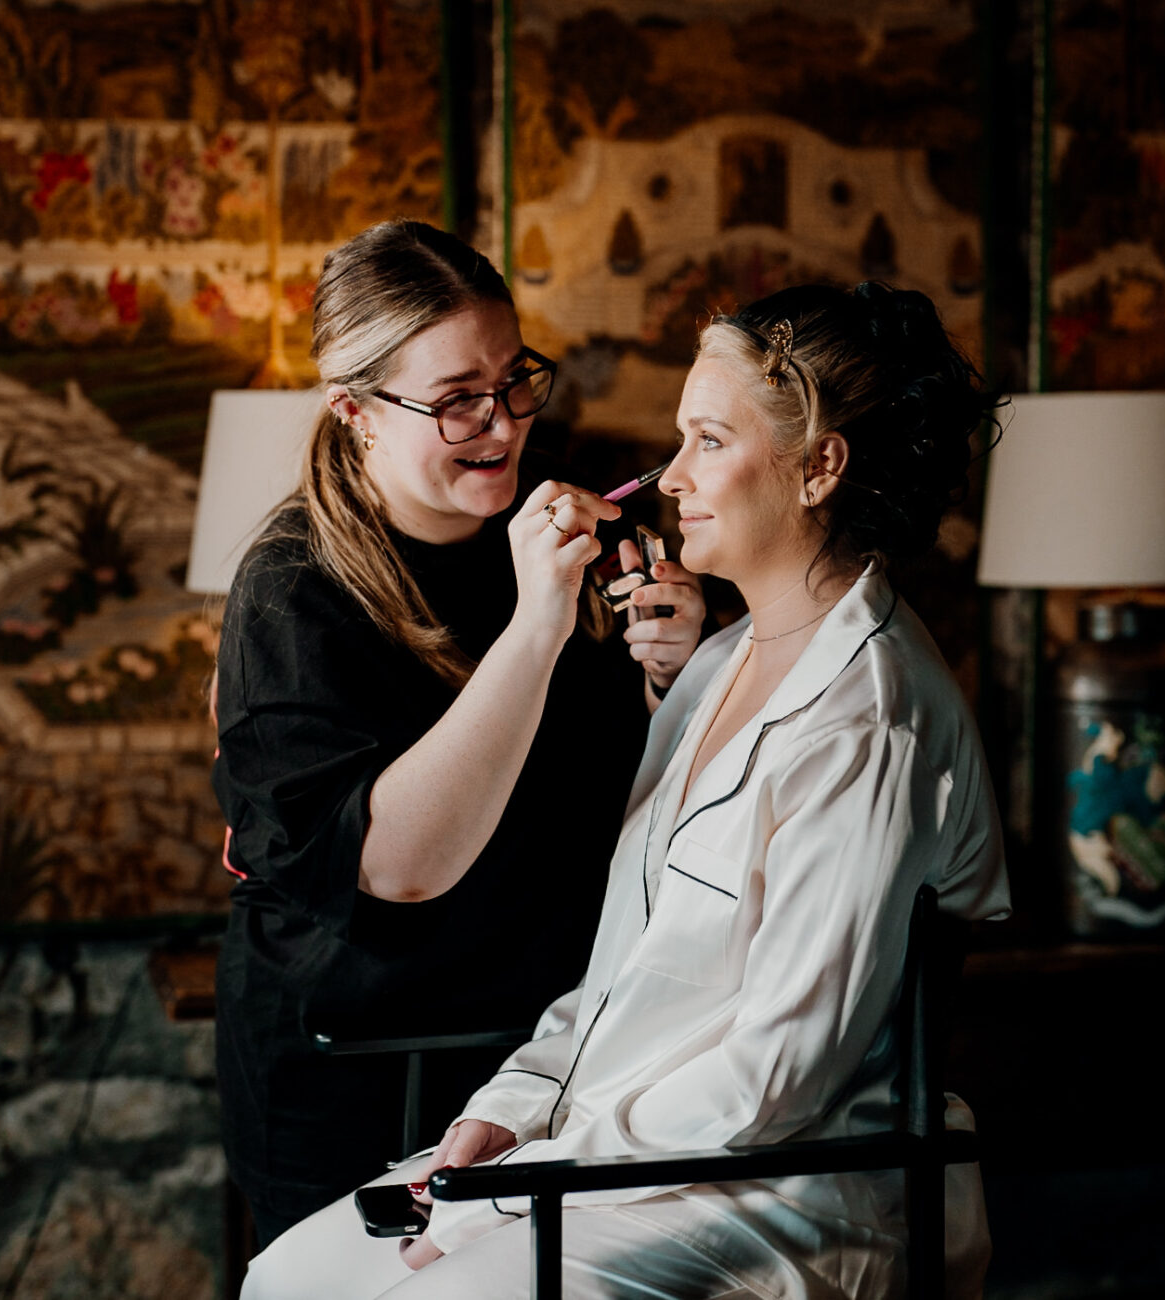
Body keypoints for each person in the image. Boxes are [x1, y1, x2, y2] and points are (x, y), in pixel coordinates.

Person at [241, 281, 1012, 1300]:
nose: (668, 475)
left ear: (819, 466)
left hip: (781, 1186)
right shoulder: (714, 662)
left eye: (704, 439)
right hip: (617, 1147)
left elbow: (772, 1080)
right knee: (290, 1277)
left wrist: (528, 1181)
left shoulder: (870, 722)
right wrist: (509, 1110)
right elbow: (623, 973)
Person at [211, 219, 707, 1246]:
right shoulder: (289, 590)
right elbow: (398, 867)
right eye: (454, 399)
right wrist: (537, 624)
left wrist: (673, 674)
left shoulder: (565, 516)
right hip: (352, 1067)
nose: (502, 422)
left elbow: (622, 801)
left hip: (539, 1055)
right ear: (354, 410)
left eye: (513, 378)